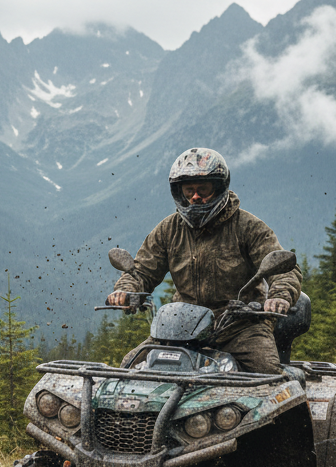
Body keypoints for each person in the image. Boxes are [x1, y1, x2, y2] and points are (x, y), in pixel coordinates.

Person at [106, 147, 302, 375]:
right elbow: (141, 271)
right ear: (179, 192)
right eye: (189, 190)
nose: (195, 196)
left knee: (266, 375)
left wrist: (279, 295)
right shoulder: (169, 229)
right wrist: (126, 291)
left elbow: (283, 268)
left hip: (240, 326)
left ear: (219, 187)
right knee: (129, 367)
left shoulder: (248, 227)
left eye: (203, 189)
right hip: (180, 327)